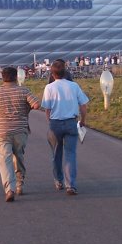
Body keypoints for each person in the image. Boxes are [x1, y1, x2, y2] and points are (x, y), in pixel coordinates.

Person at [0, 66, 41, 201]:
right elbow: (37, 104)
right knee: (19, 156)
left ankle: (9, 188)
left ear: (2, 77)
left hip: (3, 131)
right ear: (16, 77)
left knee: (5, 159)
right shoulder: (24, 90)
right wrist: (26, 109)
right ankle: (20, 184)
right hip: (20, 130)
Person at [41, 59, 89, 195]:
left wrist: (49, 123)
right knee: (70, 154)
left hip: (55, 123)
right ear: (65, 72)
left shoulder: (49, 88)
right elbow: (83, 105)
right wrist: (83, 120)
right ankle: (71, 185)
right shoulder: (74, 86)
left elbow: (47, 109)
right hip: (71, 122)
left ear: (52, 74)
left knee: (56, 154)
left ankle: (58, 180)